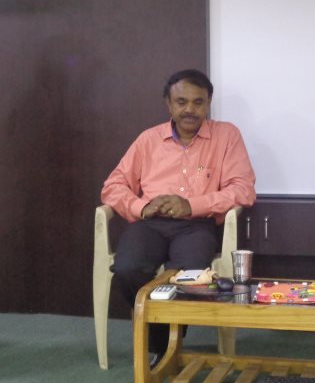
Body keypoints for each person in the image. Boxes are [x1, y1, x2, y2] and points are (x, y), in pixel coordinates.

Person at [101, 69, 256, 363]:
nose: (189, 110)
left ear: (208, 104)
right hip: (150, 224)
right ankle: (164, 345)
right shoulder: (149, 139)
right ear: (169, 104)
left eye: (198, 102)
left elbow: (243, 190)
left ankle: (163, 349)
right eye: (181, 102)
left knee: (186, 277)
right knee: (127, 268)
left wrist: (192, 205)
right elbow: (112, 186)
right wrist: (140, 207)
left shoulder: (226, 136)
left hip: (196, 225)